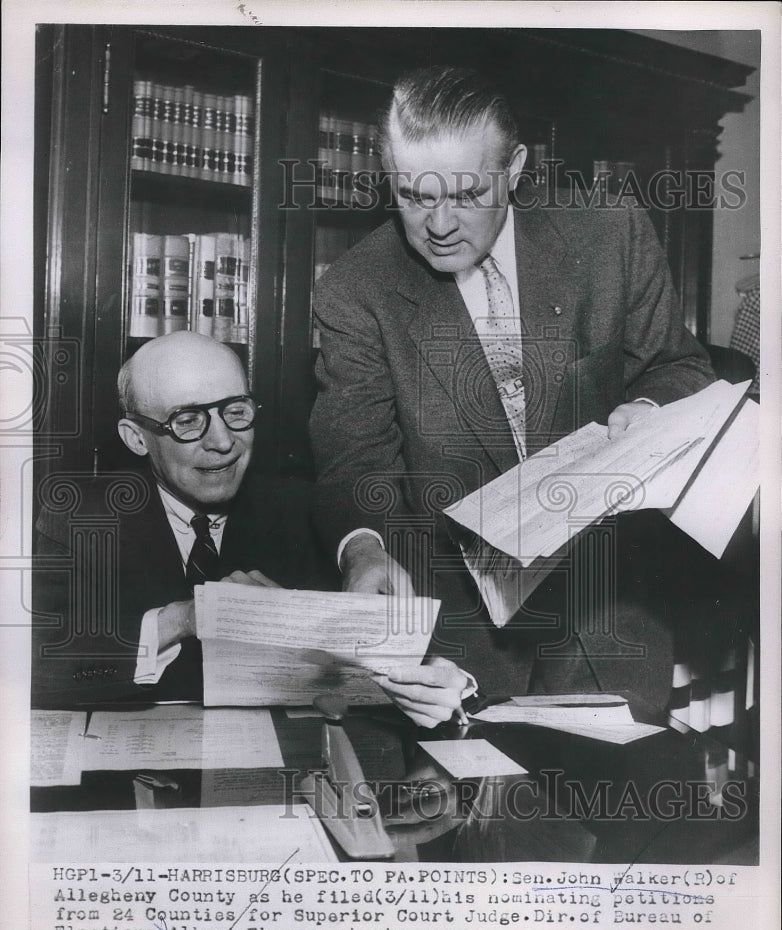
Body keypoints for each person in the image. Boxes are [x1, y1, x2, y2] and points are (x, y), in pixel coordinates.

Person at [309, 66, 717, 704]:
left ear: (515, 168)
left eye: (468, 194)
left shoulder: (609, 234)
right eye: (414, 196)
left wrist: (647, 406)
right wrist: (363, 550)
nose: (439, 224)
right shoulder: (355, 290)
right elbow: (354, 457)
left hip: (609, 616)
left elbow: (679, 367)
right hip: (457, 644)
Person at [32, 331, 460, 726]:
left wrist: (440, 683)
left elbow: (409, 663)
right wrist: (184, 618)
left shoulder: (302, 512)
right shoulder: (79, 520)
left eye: (235, 412)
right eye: (187, 420)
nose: (223, 442)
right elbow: (36, 673)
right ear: (136, 437)